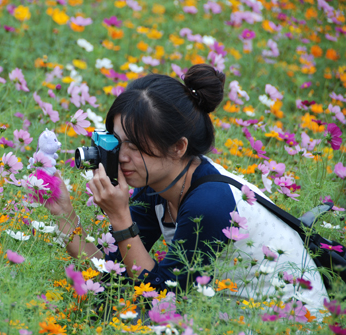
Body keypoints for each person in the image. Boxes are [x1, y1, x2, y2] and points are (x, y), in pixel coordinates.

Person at [44, 64, 328, 313]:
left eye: (136, 144)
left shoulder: (209, 202)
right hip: (226, 312)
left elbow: (160, 294)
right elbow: (115, 270)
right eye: (118, 142)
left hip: (285, 320)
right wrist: (64, 215)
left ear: (178, 147)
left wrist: (120, 217)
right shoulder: (157, 183)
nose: (122, 156)